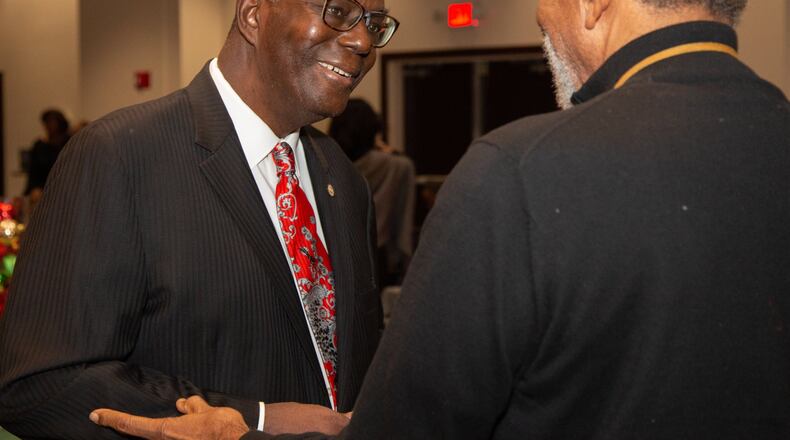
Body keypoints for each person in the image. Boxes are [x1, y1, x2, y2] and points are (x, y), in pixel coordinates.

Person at [90, 0, 790, 438]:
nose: (541, 19)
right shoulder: (123, 152)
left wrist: (245, 435)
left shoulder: (519, 172)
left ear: (594, 4)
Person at [0, 0, 399, 438]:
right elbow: (38, 383)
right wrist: (255, 419)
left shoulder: (343, 178)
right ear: (252, 15)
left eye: (374, 24)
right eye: (339, 11)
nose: (363, 41)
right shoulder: (118, 156)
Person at [329, 99, 415, 286]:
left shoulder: (326, 164)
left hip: (336, 253)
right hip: (380, 256)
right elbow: (404, 223)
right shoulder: (397, 166)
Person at [24, 109, 71, 203]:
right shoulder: (40, 145)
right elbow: (34, 171)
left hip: (65, 185)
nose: (49, 125)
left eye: (52, 121)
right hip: (43, 186)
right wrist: (34, 188)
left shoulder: (69, 143)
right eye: (47, 122)